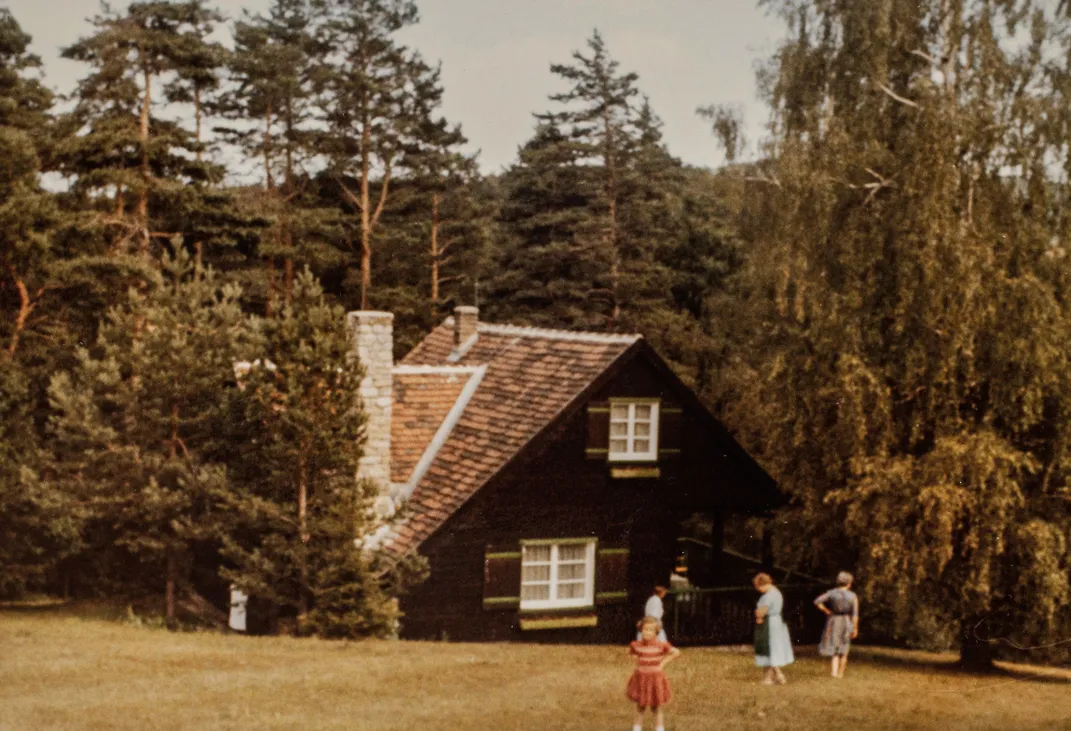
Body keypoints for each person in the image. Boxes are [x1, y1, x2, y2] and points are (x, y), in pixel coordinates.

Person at [627, 615, 680, 731]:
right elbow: (631, 653)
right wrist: (639, 663)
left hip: (655, 679)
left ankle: (659, 728)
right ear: (641, 629)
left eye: (651, 630)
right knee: (640, 706)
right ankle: (637, 728)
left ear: (656, 632)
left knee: (656, 707)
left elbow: (676, 652)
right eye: (645, 629)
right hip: (641, 679)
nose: (648, 632)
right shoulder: (636, 645)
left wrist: (662, 664)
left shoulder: (660, 645)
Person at [815, 571, 860, 678]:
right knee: (844, 647)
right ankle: (840, 673)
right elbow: (855, 614)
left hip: (834, 620)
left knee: (835, 646)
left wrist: (826, 611)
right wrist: (855, 628)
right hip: (846, 620)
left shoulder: (832, 593)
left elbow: (817, 601)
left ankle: (834, 672)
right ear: (849, 583)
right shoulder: (853, 596)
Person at [753, 572, 794, 684]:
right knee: (772, 648)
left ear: (763, 584)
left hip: (769, 623)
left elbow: (761, 612)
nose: (758, 590)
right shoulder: (777, 593)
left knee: (768, 648)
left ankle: (778, 674)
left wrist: (757, 614)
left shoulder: (768, 596)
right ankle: (770, 677)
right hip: (777, 621)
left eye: (758, 587)